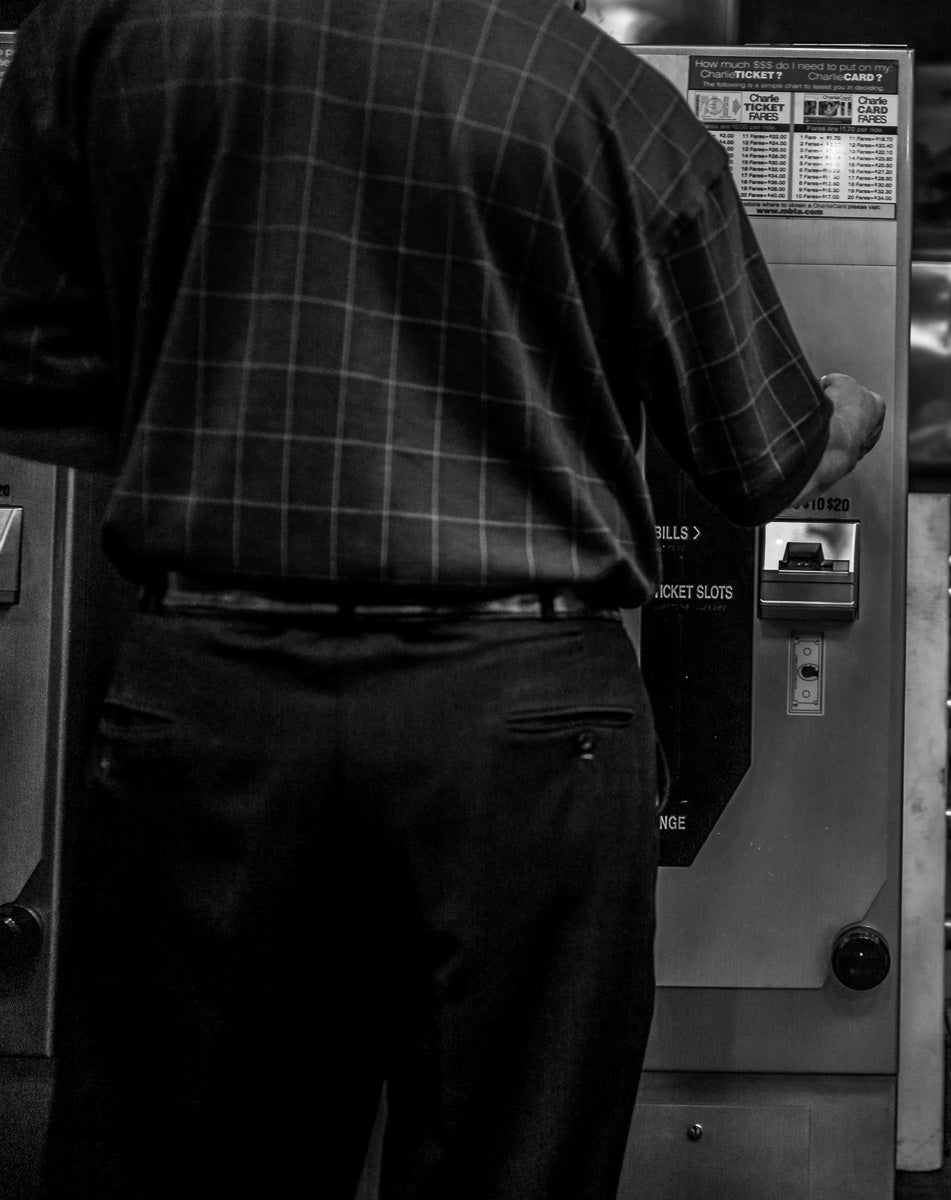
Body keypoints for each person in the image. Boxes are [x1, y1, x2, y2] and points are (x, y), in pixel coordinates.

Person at [0, 3, 883, 1198]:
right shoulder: (603, 97)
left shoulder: (98, 38)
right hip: (519, 722)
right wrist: (848, 411)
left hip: (209, 698)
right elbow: (760, 457)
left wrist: (226, 424)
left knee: (176, 1158)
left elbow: (36, 379)